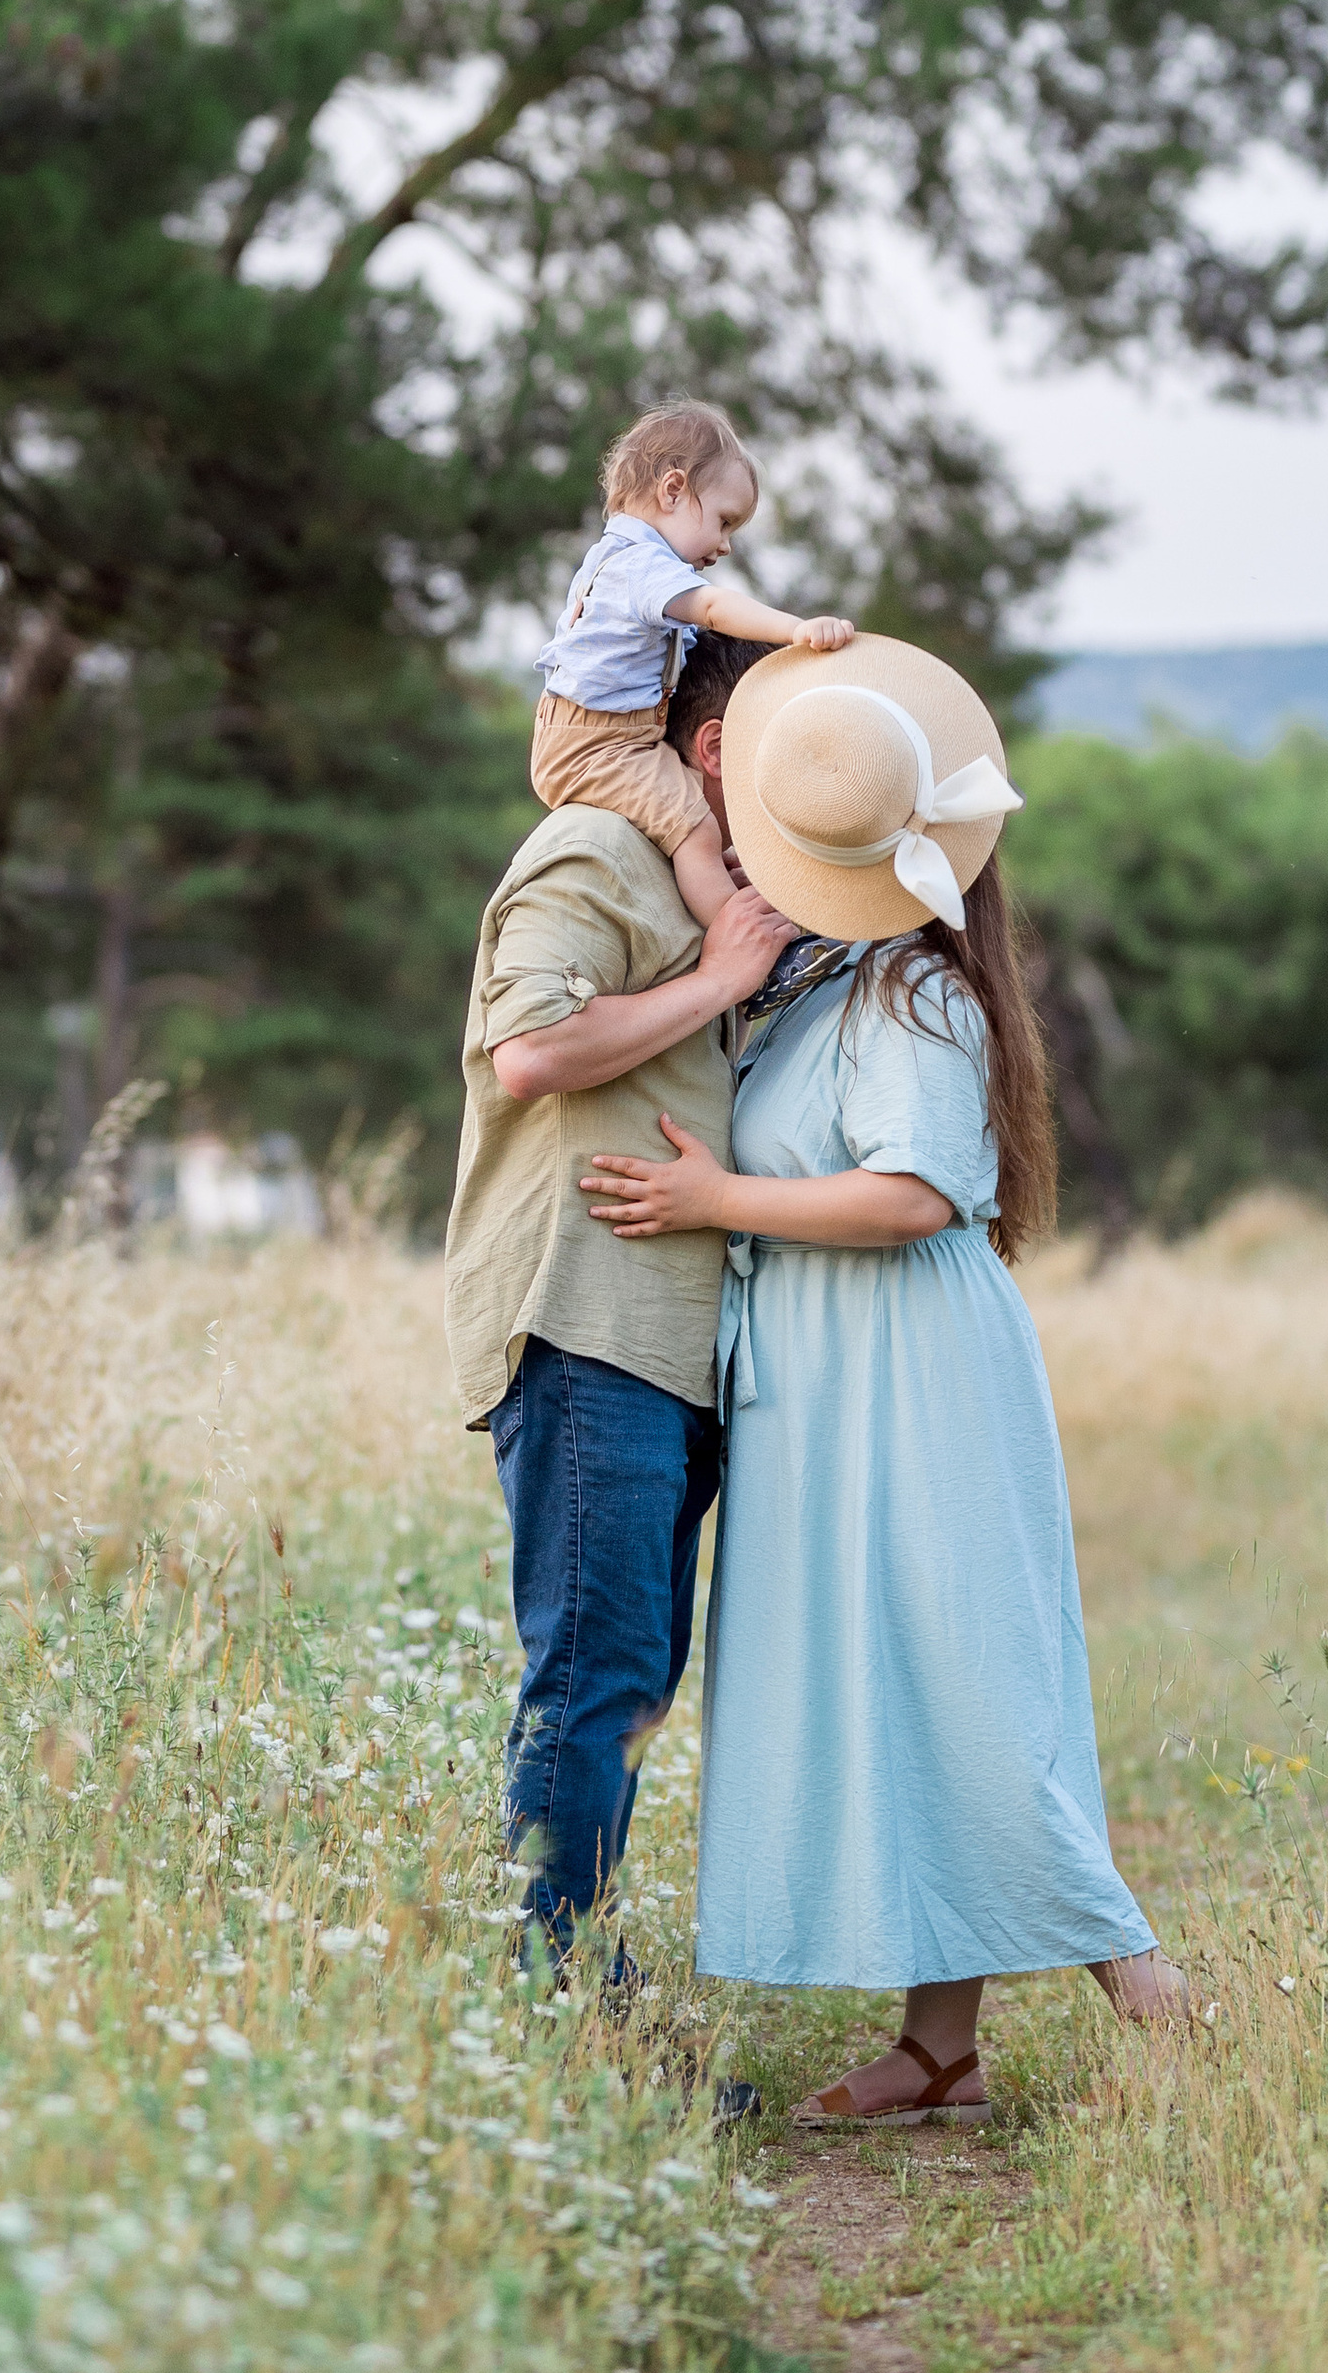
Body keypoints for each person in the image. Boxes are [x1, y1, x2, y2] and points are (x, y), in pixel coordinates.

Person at [580, 635, 1187, 2118]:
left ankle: (1158, 1998)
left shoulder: (908, 988)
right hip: (836, 1366)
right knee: (909, 1675)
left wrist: (714, 1199)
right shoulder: (825, 980)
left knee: (961, 1674)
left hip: (905, 1366)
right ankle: (941, 2050)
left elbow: (912, 1195)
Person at [445, 629, 794, 1967]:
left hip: (662, 1341)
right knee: (594, 1676)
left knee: (634, 1678)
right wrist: (718, 982)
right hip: (585, 1324)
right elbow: (531, 1048)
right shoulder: (593, 847)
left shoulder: (708, 886)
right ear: (713, 749)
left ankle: (578, 1974)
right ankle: (551, 1991)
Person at [528, 400, 861, 935]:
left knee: (693, 815)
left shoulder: (615, 557)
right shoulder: (644, 567)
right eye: (724, 521)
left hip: (598, 735)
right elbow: (713, 608)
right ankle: (745, 943)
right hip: (600, 746)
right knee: (697, 831)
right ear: (673, 490)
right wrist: (796, 630)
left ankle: (724, 895)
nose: (725, 545)